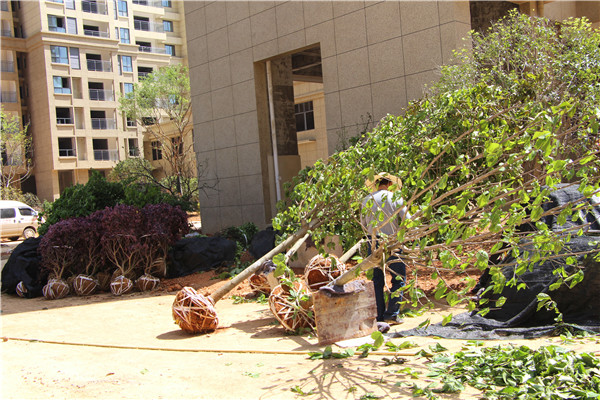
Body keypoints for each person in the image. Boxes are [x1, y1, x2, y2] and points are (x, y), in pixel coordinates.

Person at [361, 173, 409, 326]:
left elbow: (363, 222)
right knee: (398, 277)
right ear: (389, 184)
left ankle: (379, 315)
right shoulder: (395, 198)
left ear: (376, 184)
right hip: (393, 241)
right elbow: (407, 220)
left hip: (373, 242)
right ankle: (392, 313)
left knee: (377, 280)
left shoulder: (367, 200)